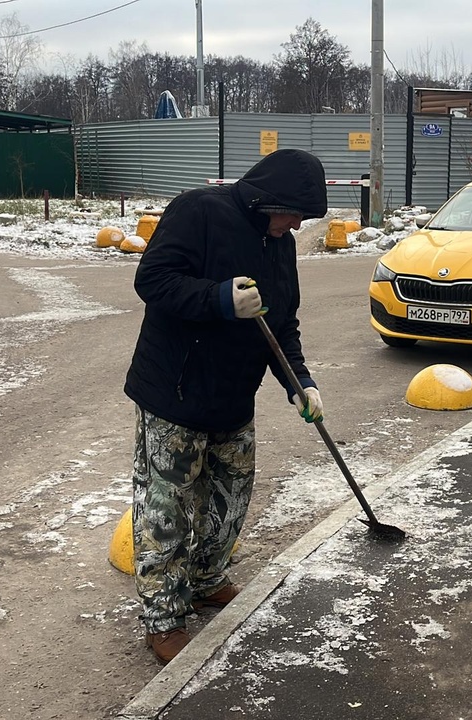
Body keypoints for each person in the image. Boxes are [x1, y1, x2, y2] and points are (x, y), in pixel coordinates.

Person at [123, 148, 329, 664]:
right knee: (165, 511)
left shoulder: (281, 244)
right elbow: (152, 281)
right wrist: (218, 299)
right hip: (175, 393)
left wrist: (299, 382)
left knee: (229, 497)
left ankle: (205, 579)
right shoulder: (198, 211)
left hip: (234, 396)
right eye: (294, 212)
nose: (298, 223)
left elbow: (282, 324)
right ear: (267, 199)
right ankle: (163, 618)